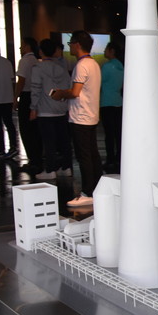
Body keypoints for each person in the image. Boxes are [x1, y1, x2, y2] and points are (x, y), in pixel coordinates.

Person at [51, 30, 102, 207]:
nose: (69, 47)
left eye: (70, 43)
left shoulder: (82, 65)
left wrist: (60, 94)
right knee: (92, 154)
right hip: (91, 114)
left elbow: (75, 92)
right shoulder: (93, 64)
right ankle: (96, 189)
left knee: (84, 156)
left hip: (80, 116)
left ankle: (88, 192)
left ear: (77, 45)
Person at [30, 38, 73, 180]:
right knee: (64, 140)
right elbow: (68, 88)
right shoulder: (61, 68)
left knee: (49, 142)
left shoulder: (37, 68)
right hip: (61, 109)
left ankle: (50, 169)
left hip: (45, 110)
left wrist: (33, 108)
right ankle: (66, 167)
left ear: (40, 51)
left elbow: (36, 89)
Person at [13, 36, 43, 172]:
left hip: (26, 96)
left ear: (28, 46)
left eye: (22, 45)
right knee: (35, 129)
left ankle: (33, 160)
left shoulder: (24, 60)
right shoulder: (36, 60)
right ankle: (37, 158)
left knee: (26, 129)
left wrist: (15, 98)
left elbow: (21, 81)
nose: (20, 48)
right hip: (36, 95)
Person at [100, 41, 124, 173]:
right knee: (118, 133)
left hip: (106, 102)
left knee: (109, 134)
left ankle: (110, 160)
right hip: (118, 102)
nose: (104, 51)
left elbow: (99, 83)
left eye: (106, 49)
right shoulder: (121, 66)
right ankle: (119, 158)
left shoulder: (107, 66)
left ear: (112, 51)